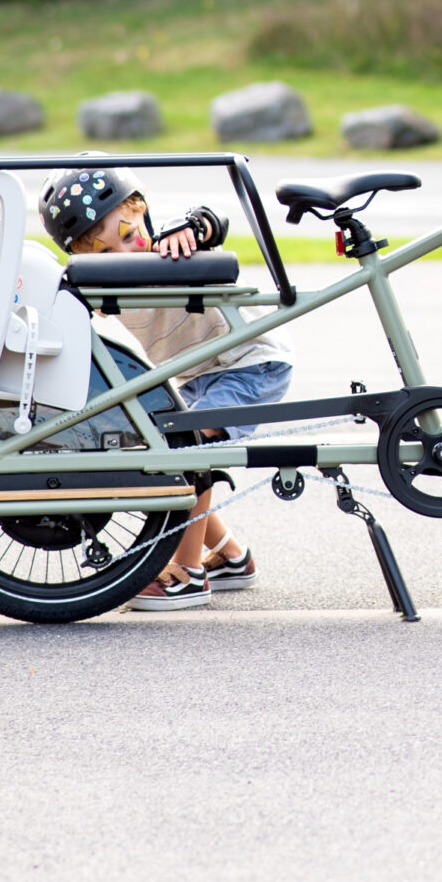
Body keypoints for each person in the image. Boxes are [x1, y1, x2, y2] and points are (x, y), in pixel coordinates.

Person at [37, 164, 293, 613]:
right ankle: (232, 557)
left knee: (188, 453)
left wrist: (191, 227)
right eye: (105, 252)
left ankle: (187, 573)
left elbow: (211, 222)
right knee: (168, 448)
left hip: (250, 366)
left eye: (127, 233)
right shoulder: (105, 281)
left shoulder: (172, 245)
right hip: (198, 378)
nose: (124, 251)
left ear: (140, 209)